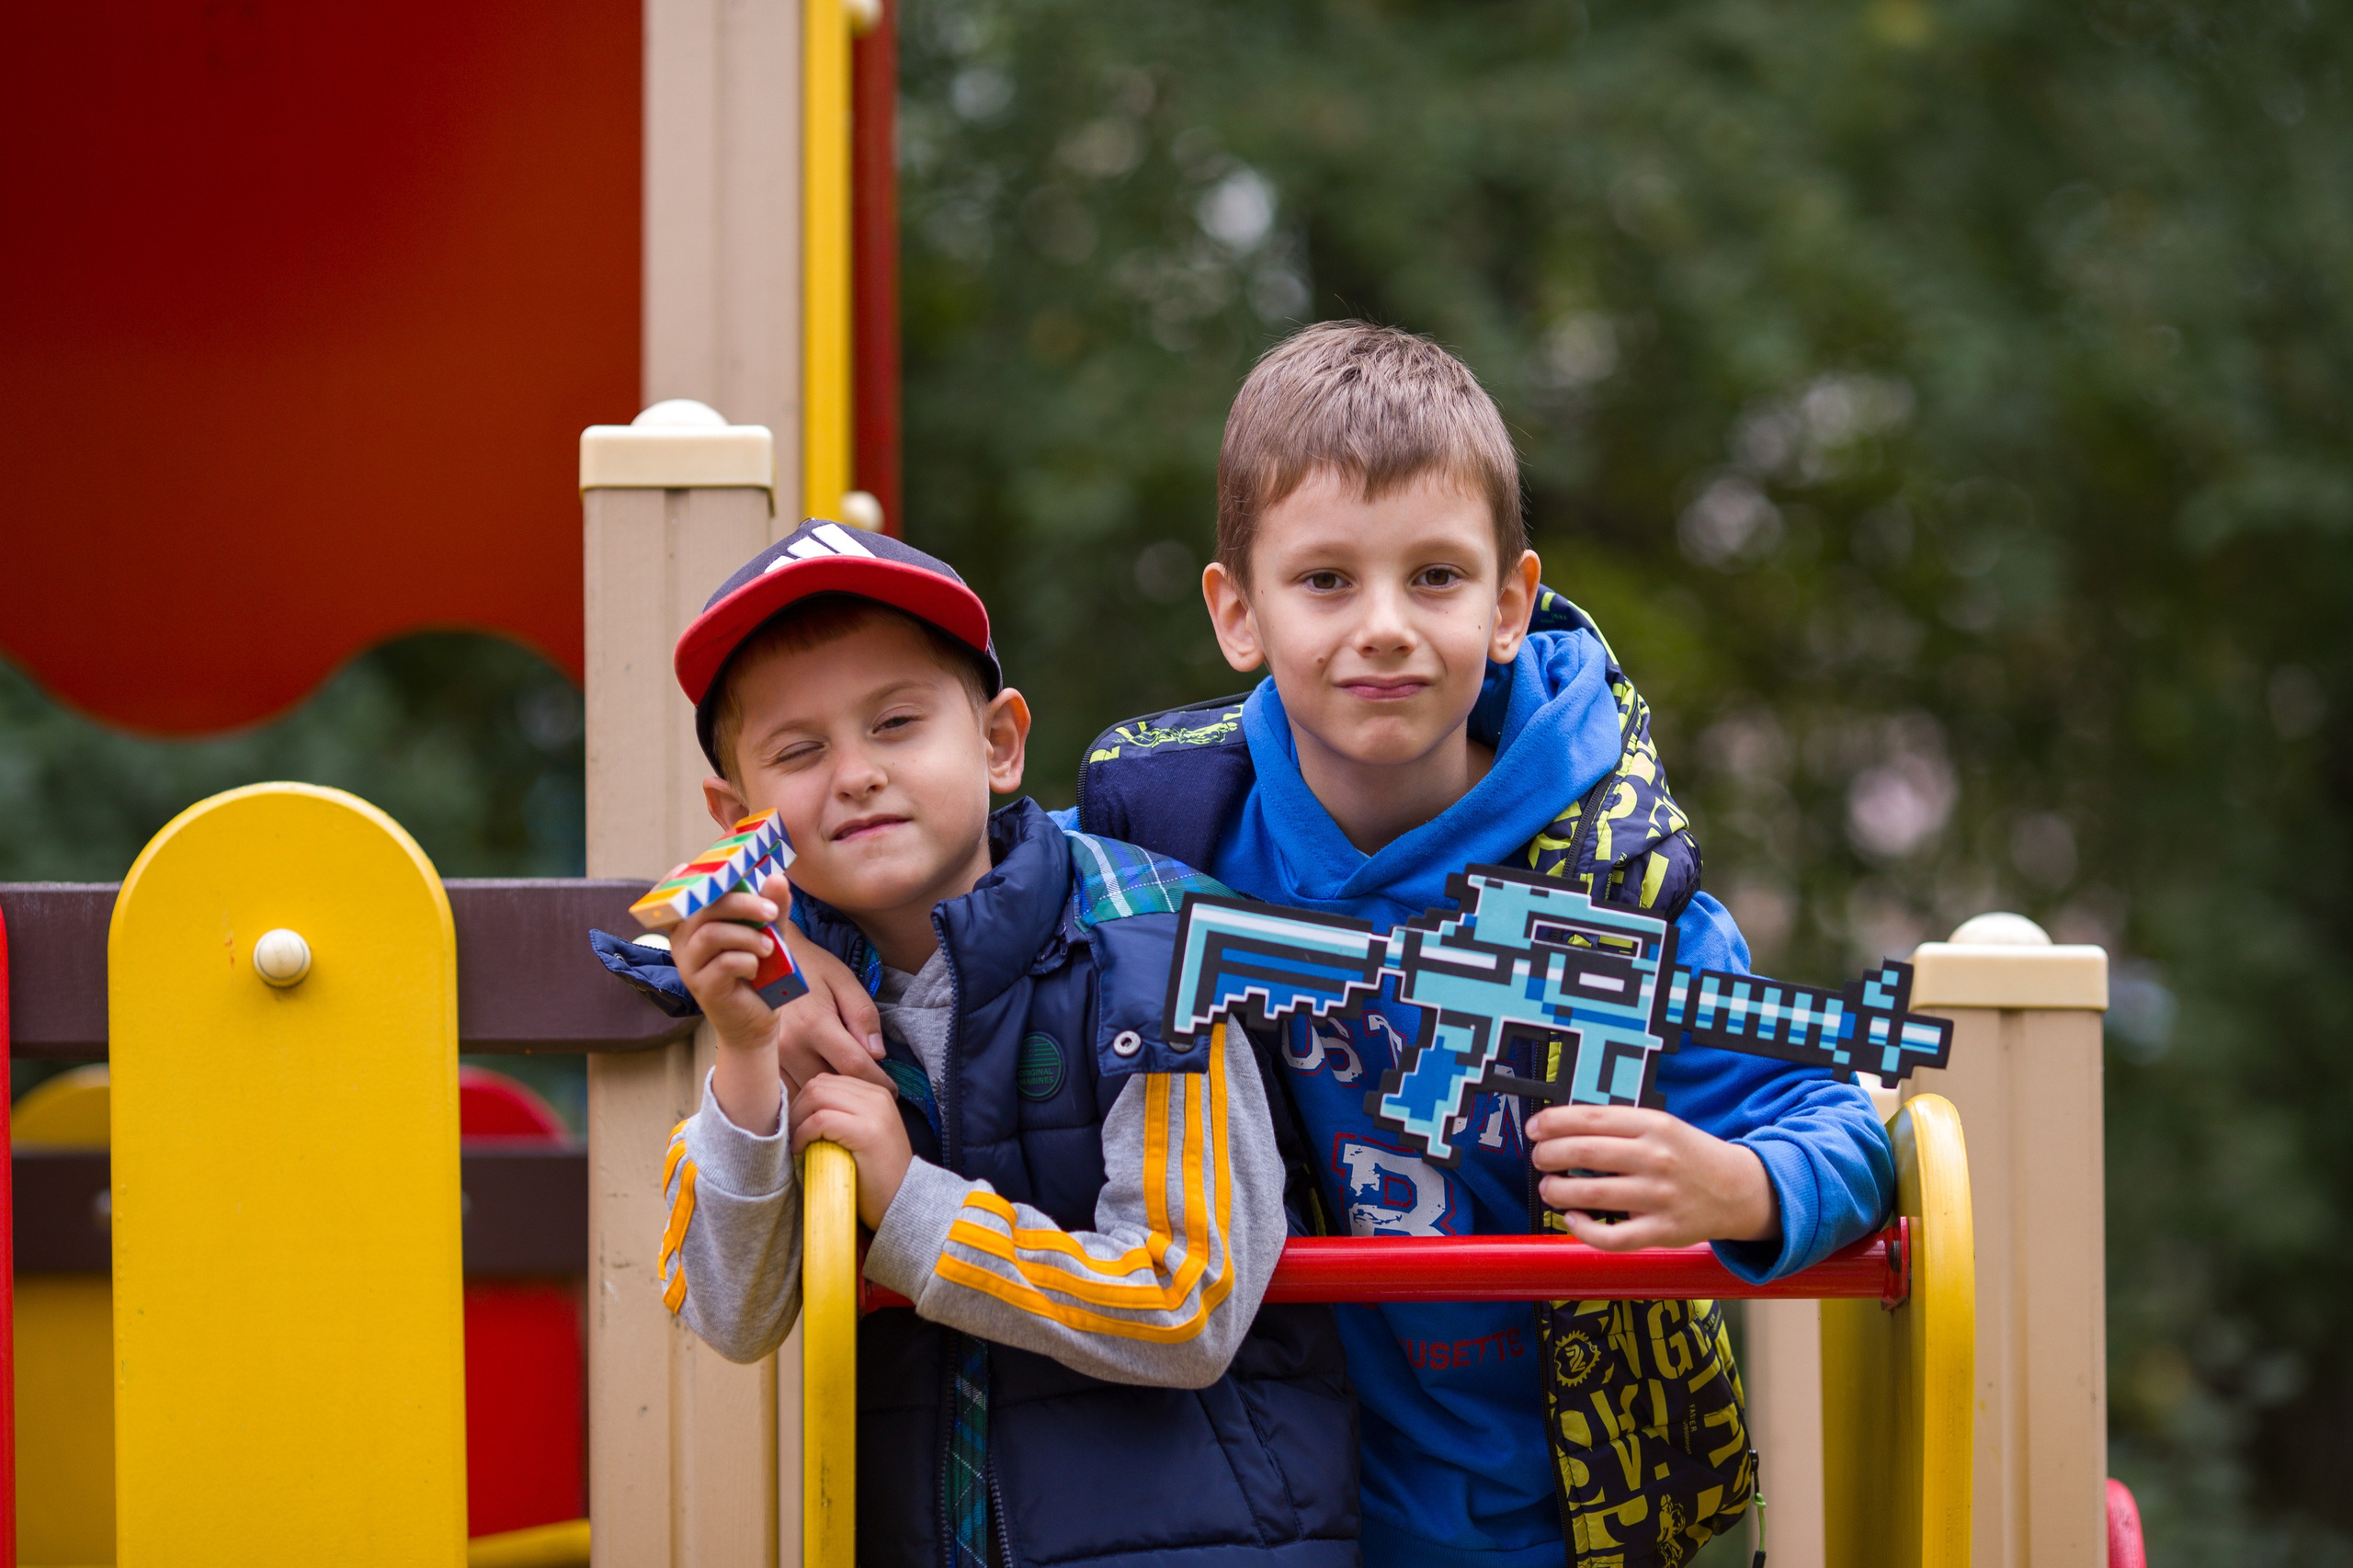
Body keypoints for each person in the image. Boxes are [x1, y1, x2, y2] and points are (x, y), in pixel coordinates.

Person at [1065, 324, 1897, 1567]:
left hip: (1538, 1527)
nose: (1387, 626)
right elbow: (947, 915)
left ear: (1511, 603)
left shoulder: (1611, 884)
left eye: (1437, 578)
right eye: (1327, 580)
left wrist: (1735, 1186)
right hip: (1252, 1516)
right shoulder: (1164, 845)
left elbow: (1848, 1123)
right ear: (1239, 612)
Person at [640, 521, 1358, 1568]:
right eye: (798, 751)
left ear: (998, 742)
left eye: (895, 723)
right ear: (735, 815)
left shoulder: (1145, 946)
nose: (854, 774)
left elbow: (1185, 1299)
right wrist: (746, 1054)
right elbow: (732, 1313)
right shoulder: (782, 997)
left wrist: (908, 1197)